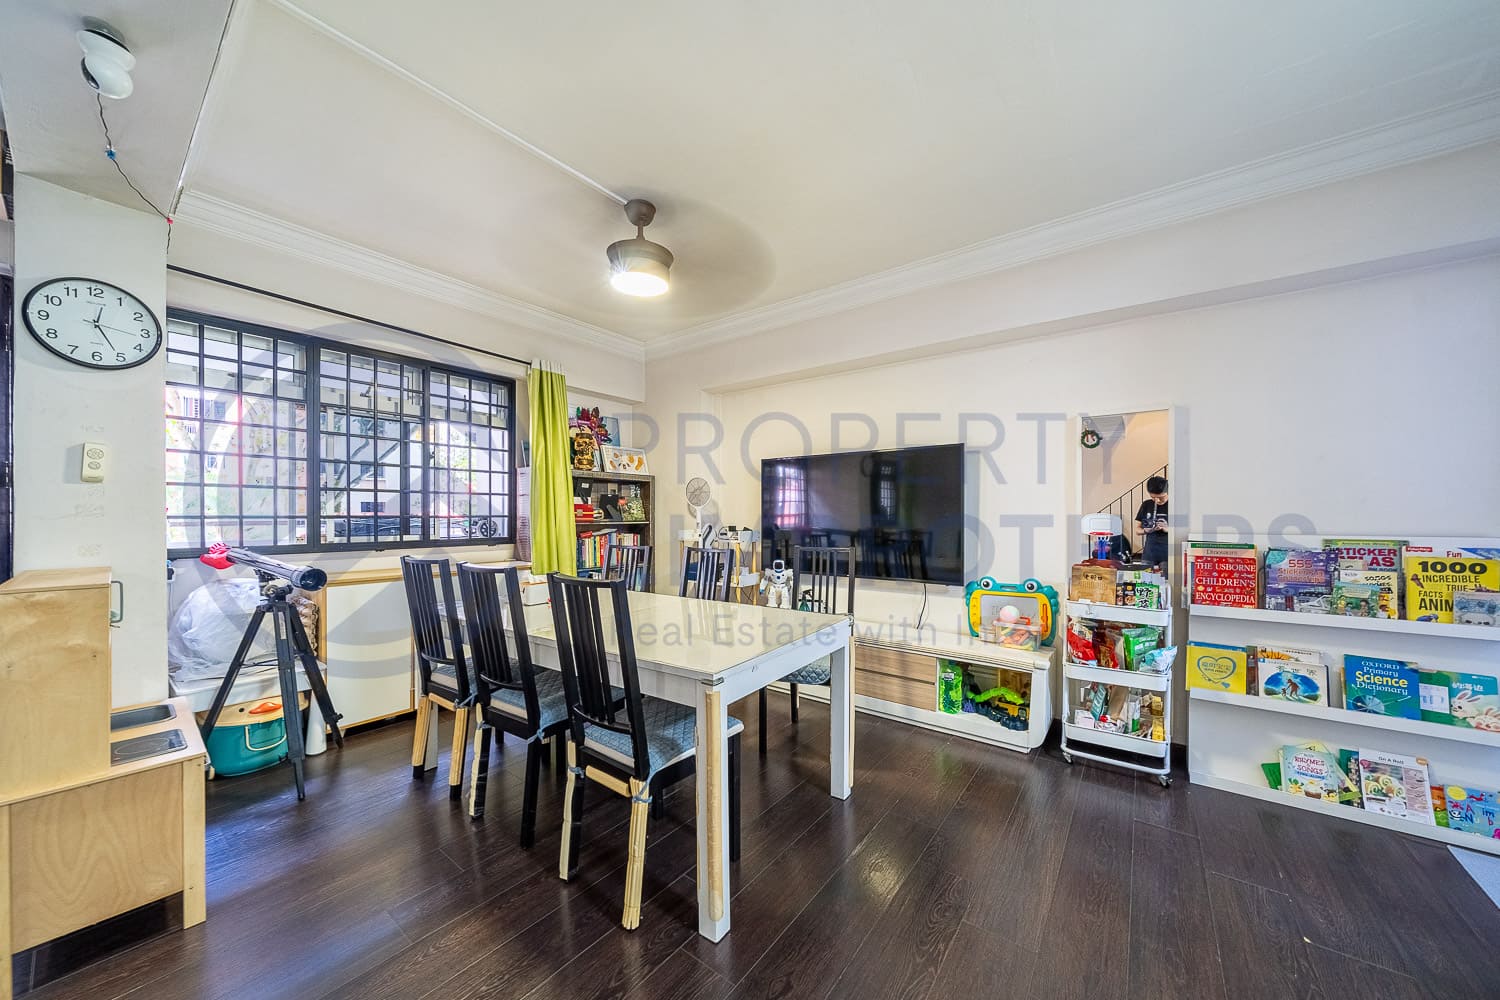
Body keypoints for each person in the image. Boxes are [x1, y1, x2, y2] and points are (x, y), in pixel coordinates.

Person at [1135, 476, 1169, 572]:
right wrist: (1146, 530)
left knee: (1168, 578)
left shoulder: (1174, 505)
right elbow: (1137, 530)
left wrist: (1167, 529)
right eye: (1153, 497)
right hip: (1149, 552)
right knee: (1145, 578)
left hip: (1167, 552)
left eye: (1160, 497)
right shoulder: (1146, 504)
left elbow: (1182, 531)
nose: (1157, 500)